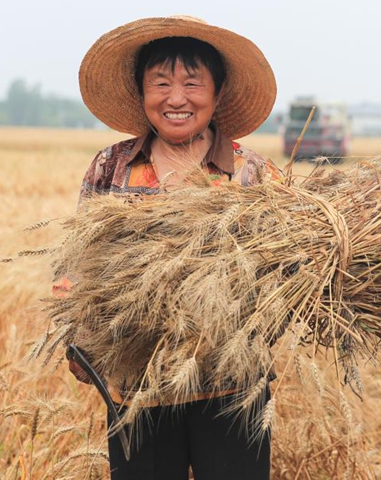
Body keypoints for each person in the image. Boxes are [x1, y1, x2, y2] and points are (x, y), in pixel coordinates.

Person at [66, 15, 281, 480]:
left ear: (218, 93)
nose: (176, 98)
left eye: (192, 83)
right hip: (135, 389)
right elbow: (78, 262)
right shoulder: (112, 167)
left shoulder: (253, 176)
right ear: (142, 94)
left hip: (232, 390)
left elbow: (285, 279)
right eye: (160, 83)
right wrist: (76, 324)